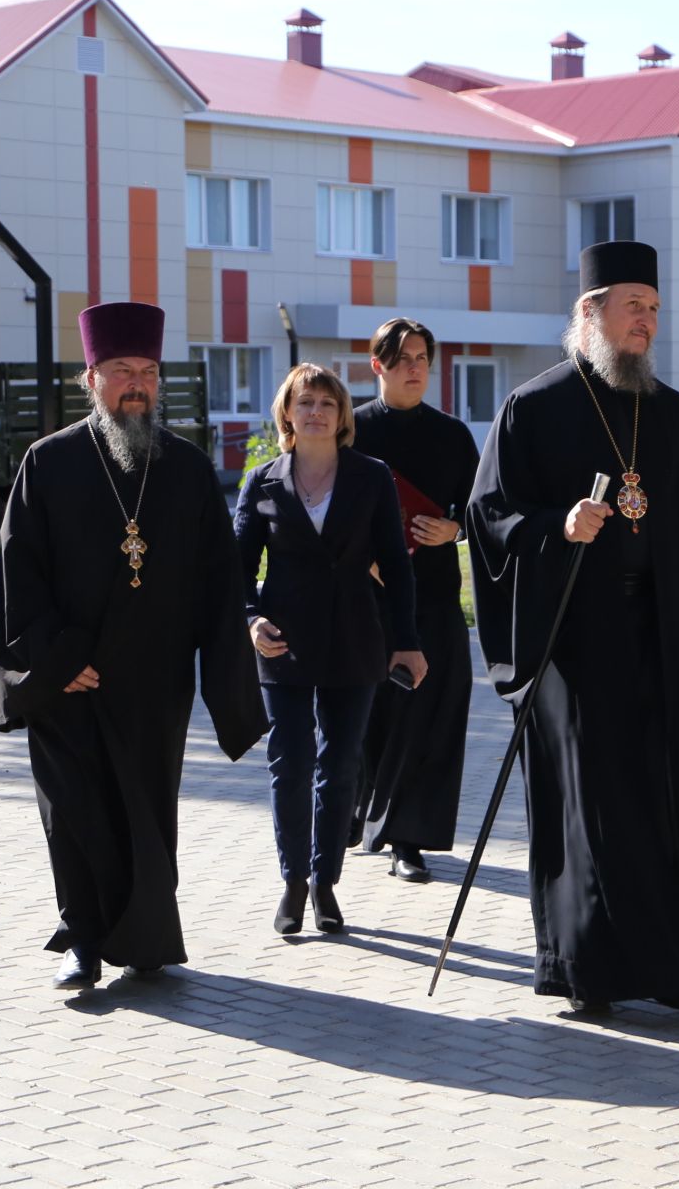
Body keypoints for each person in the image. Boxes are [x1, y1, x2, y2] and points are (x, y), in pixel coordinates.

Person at [467, 240, 679, 1015]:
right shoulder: (534, 406)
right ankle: (588, 969)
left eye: (653, 309)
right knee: (592, 806)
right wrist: (556, 524)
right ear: (591, 313)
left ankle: (669, 959)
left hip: (660, 635)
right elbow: (488, 517)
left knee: (663, 792)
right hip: (574, 640)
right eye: (632, 307)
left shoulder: (672, 412)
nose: (646, 322)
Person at [0, 301, 265, 991]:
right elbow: (18, 574)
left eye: (146, 371)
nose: (135, 384)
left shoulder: (190, 470)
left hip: (152, 682)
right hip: (70, 681)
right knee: (76, 813)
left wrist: (227, 681)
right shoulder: (47, 464)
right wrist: (54, 662)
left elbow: (218, 584)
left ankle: (144, 941)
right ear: (91, 377)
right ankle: (83, 941)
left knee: (144, 810)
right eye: (120, 371)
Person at [235, 363, 427, 937]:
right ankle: (293, 881)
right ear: (287, 414)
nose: (315, 411)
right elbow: (237, 572)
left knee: (339, 767)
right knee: (289, 764)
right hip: (284, 644)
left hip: (354, 640)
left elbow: (395, 565)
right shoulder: (263, 481)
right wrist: (249, 621)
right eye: (304, 402)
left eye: (326, 402)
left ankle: (326, 884)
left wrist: (408, 644)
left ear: (343, 414)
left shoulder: (371, 477)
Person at [348, 318, 482, 883]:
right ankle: (360, 811)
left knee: (429, 711)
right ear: (377, 365)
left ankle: (408, 837)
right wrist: (362, 556)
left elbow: (485, 510)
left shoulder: (453, 435)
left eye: (423, 358)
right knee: (368, 714)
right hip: (363, 599)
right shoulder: (349, 430)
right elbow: (324, 505)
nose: (415, 369)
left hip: (432, 596)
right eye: (402, 359)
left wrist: (454, 530)